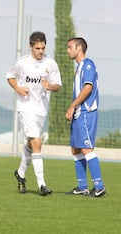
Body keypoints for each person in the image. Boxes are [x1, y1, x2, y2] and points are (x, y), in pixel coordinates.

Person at [6, 31, 62, 196]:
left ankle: (21, 173)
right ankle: (42, 185)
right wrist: (18, 89)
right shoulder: (21, 63)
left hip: (41, 109)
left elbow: (57, 85)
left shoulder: (50, 64)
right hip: (25, 107)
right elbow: (10, 77)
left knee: (31, 143)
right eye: (37, 48)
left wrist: (49, 86)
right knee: (37, 142)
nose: (40, 51)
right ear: (30, 47)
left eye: (43, 48)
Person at [65, 37, 106, 197]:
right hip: (78, 113)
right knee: (75, 148)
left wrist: (73, 105)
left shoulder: (88, 64)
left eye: (70, 47)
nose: (68, 50)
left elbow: (88, 88)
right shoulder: (80, 67)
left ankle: (99, 186)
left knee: (86, 148)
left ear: (79, 48)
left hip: (85, 113)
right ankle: (82, 186)